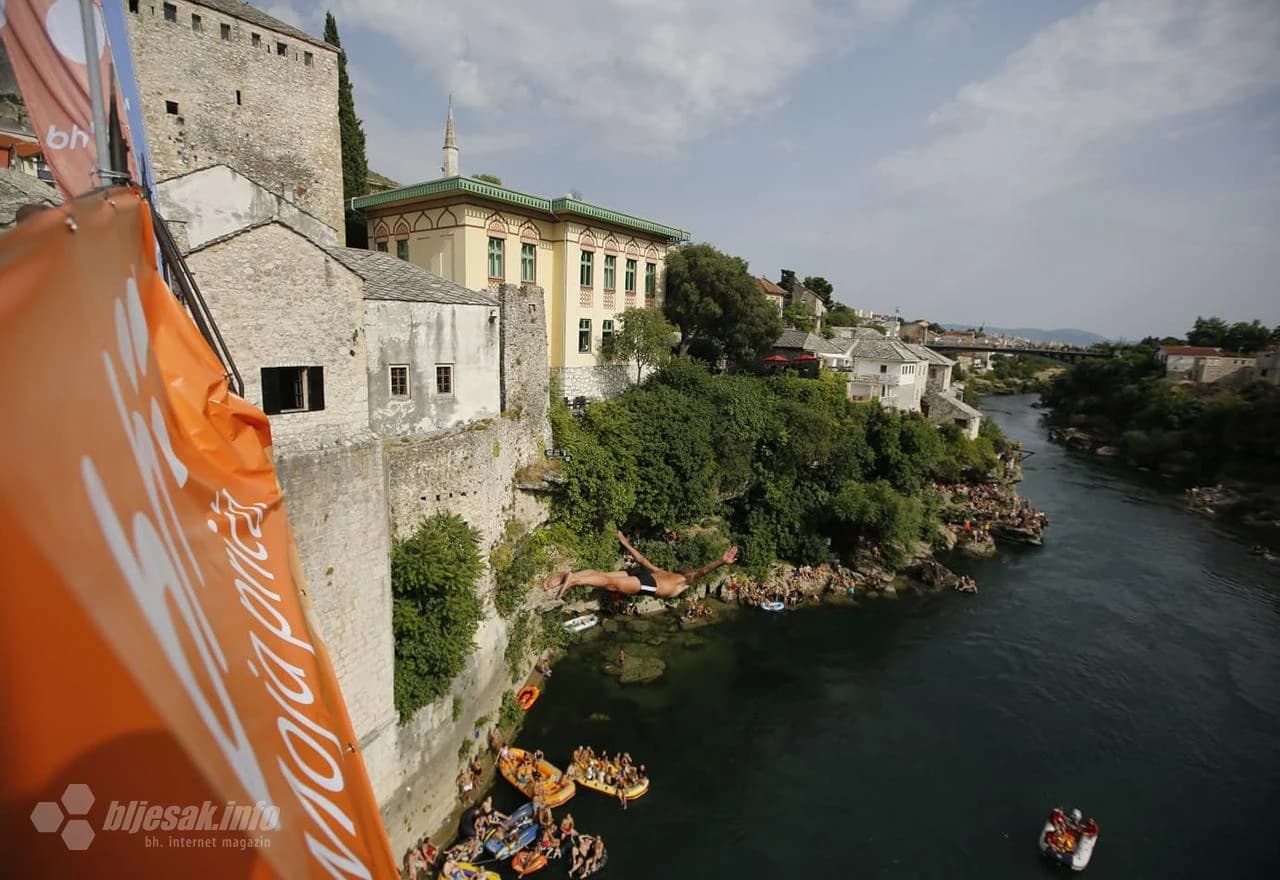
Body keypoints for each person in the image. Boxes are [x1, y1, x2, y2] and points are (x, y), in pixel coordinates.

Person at [546, 531, 739, 600]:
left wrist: (626, 544)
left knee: (604, 576)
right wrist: (721, 561)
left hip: (646, 577)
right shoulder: (685, 581)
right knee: (611, 584)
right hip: (650, 586)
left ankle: (569, 576)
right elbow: (704, 571)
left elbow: (642, 560)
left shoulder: (665, 572)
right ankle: (575, 580)